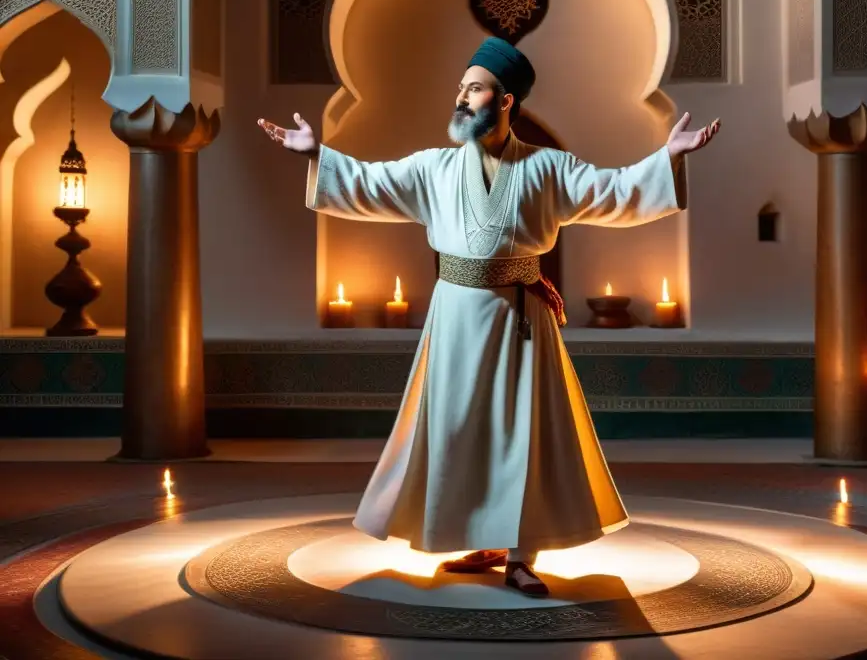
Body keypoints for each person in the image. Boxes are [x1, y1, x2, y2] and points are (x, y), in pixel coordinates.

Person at [258, 37, 720, 597]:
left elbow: (613, 191)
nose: (461, 98)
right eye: (460, 88)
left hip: (521, 322)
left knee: (522, 436)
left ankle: (522, 556)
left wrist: (666, 157)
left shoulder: (547, 168)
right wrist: (316, 155)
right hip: (454, 321)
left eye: (473, 89)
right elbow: (371, 183)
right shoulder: (433, 168)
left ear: (505, 101)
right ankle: (485, 537)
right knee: (460, 432)